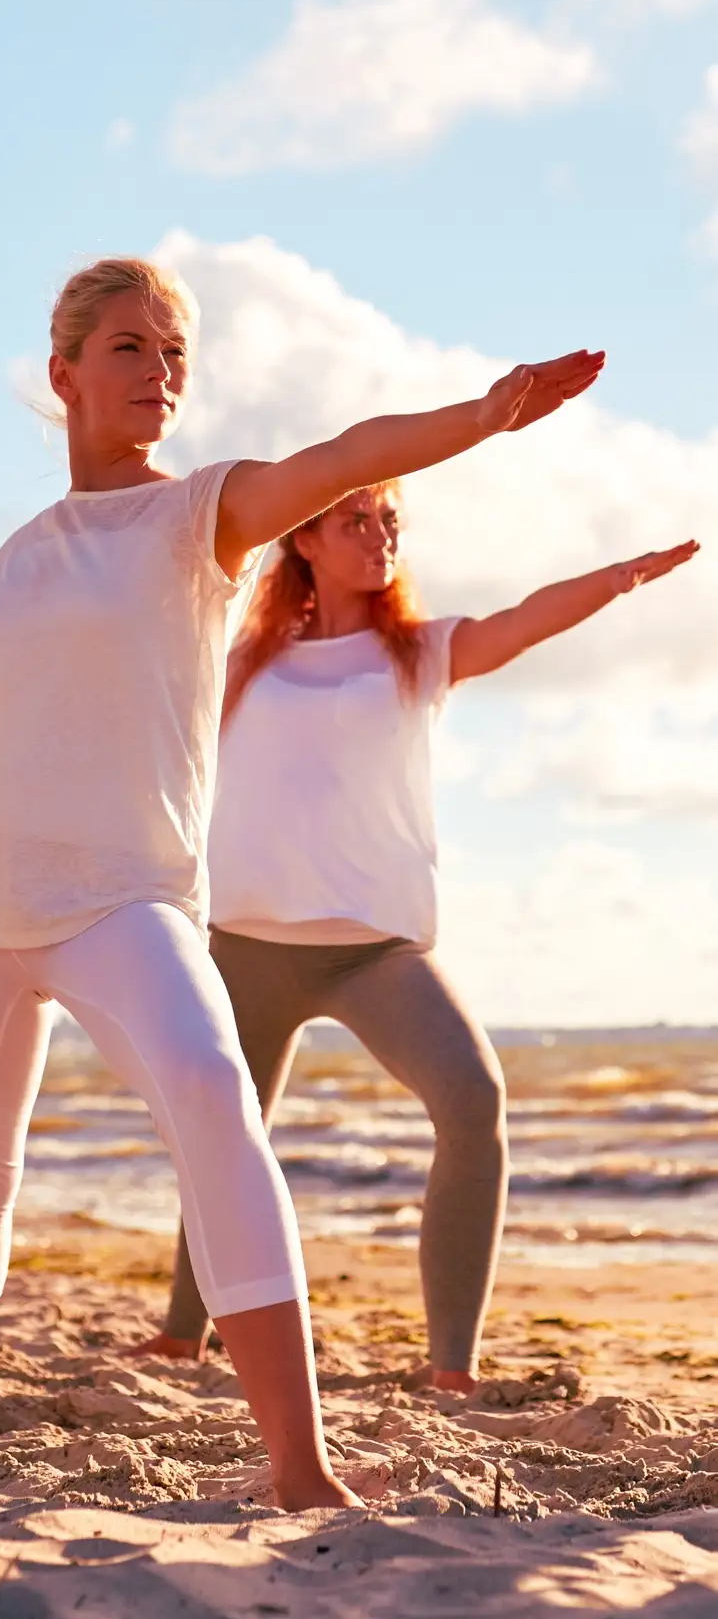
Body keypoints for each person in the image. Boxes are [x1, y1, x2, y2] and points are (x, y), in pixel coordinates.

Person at [0, 255, 604, 1511]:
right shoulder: (27, 548)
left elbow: (342, 455)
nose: (160, 370)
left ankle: (300, 1461)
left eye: (174, 352)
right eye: (131, 346)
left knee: (212, 1089)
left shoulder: (201, 517)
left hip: (122, 890)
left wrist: (482, 414)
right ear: (64, 370)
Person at [134, 482, 697, 1390]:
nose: (379, 533)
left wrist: (622, 576)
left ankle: (451, 1368)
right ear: (306, 539)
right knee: (223, 1133)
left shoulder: (420, 654)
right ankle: (180, 1335)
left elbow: (523, 620)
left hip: (375, 948)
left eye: (390, 520)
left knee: (473, 1100)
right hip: (245, 941)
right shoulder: (239, 660)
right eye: (356, 518)